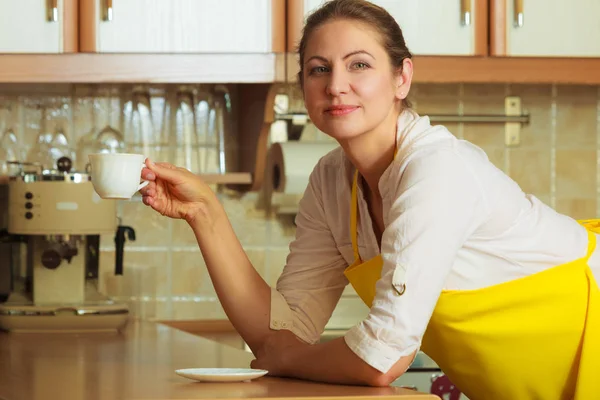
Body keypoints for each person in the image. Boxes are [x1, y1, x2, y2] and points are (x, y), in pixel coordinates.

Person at [140, 0, 599, 398]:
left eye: (359, 64)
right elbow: (279, 333)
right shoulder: (330, 181)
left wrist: (285, 360)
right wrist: (205, 213)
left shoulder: (437, 170)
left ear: (402, 78)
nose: (336, 85)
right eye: (319, 69)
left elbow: (381, 360)